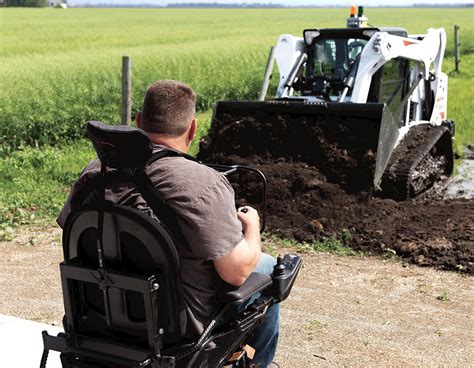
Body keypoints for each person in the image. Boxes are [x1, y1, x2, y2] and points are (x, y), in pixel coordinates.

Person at [57, 80, 279, 368]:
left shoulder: (93, 174)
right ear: (193, 129)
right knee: (270, 267)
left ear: (138, 121)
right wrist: (252, 227)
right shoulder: (202, 183)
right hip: (179, 334)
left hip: (96, 321)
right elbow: (236, 273)